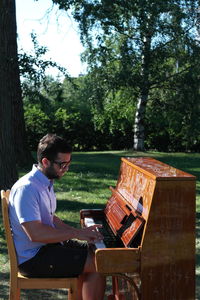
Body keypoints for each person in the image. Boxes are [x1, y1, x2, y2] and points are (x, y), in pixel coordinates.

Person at [9, 133, 106, 300]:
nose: (66, 169)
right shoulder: (27, 188)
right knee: (101, 264)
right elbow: (36, 234)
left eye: (68, 164)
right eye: (62, 164)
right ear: (45, 162)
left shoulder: (44, 182)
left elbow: (51, 219)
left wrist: (79, 232)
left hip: (46, 249)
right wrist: (77, 234)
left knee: (99, 254)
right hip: (33, 259)